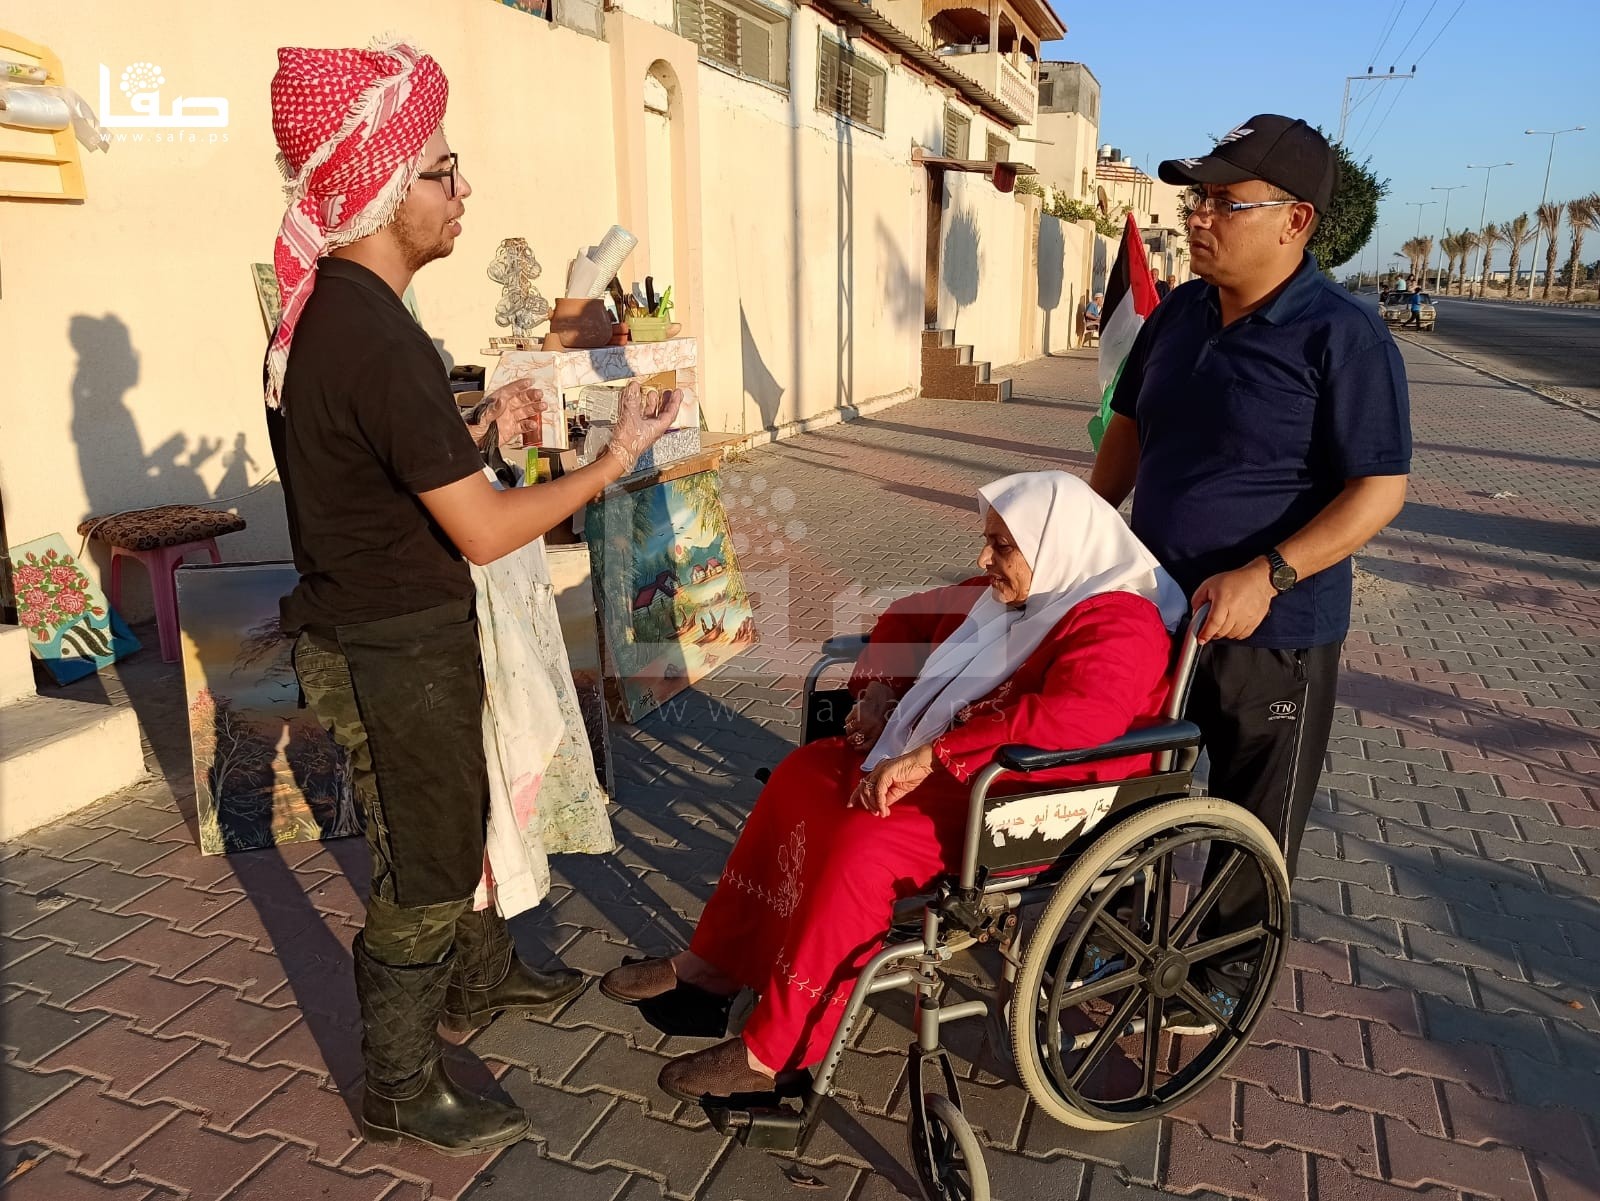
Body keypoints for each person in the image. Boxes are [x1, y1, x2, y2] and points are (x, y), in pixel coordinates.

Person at [264, 38, 682, 1155]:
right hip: (390, 647)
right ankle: (398, 1083)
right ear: (379, 188)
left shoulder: (344, 313)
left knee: (467, 812)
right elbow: (487, 528)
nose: (462, 190)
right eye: (442, 172)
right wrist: (616, 456)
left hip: (396, 628)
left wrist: (477, 430)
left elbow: (385, 467)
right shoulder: (369, 335)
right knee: (430, 862)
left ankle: (480, 981)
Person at [599, 471, 1188, 1102]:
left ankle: (780, 1051)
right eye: (987, 541)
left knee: (861, 840)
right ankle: (716, 965)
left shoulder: (1120, 622)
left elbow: (1076, 719)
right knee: (801, 776)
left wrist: (933, 755)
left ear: (1056, 547)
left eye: (1001, 546)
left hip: (1026, 796)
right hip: (965, 768)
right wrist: (879, 689)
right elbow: (908, 618)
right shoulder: (1018, 597)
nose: (983, 559)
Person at [1089, 115, 1411, 1018]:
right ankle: (1112, 939)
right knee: (1126, 789)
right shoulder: (1178, 315)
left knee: (1248, 818)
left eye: (1225, 202)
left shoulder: (1342, 337)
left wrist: (1269, 573)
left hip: (1275, 634)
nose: (1198, 216)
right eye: (1199, 198)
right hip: (1153, 612)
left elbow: (1378, 491)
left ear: (1295, 221)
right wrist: (1075, 535)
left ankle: (1221, 979)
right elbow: (1127, 432)